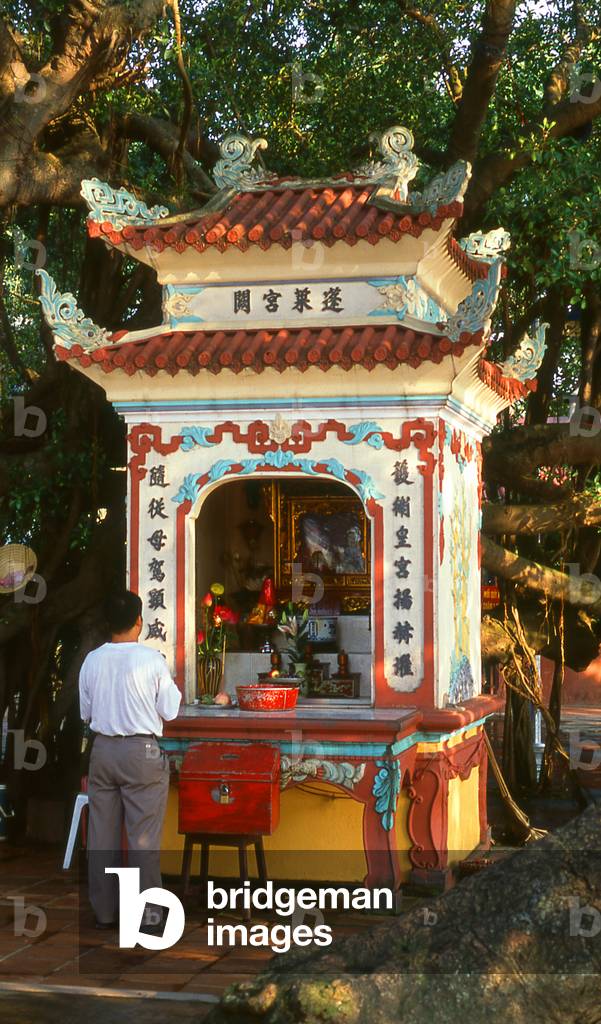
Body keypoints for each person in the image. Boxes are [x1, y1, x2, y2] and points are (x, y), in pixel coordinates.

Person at [79, 590, 182, 930]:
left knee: (101, 837)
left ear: (108, 622)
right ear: (140, 621)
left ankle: (105, 912)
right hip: (141, 753)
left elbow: (86, 712)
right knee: (143, 839)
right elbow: (170, 710)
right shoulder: (151, 660)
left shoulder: (92, 660)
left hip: (104, 751)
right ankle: (148, 917)